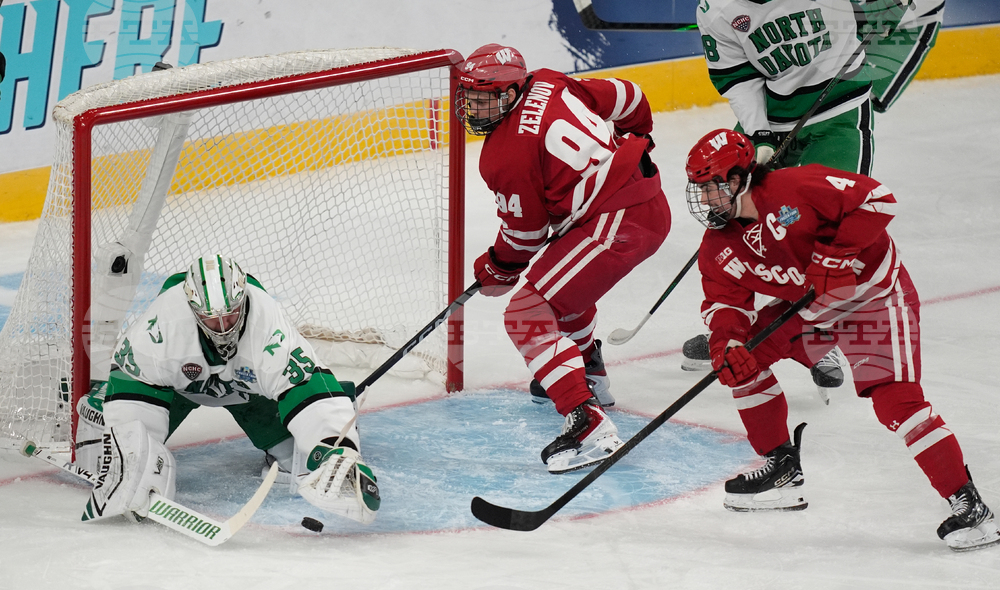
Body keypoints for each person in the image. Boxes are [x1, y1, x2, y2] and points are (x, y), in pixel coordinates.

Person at [682, 128, 999, 551]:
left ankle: (970, 507)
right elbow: (726, 305)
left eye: (712, 188)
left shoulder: (793, 187)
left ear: (739, 178)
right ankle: (781, 469)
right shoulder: (718, 245)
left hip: (873, 302)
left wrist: (836, 254)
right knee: (742, 362)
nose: (705, 200)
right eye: (699, 190)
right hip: (811, 311)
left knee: (897, 403)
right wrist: (726, 342)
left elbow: (878, 199)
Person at [683, 0, 929, 383]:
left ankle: (815, 338)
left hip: (839, 110)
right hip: (767, 113)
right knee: (729, 214)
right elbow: (737, 78)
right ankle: (731, 327)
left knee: (824, 226)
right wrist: (760, 132)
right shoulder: (715, 8)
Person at [455, 44, 671, 474]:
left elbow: (526, 235)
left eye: (486, 97)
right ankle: (589, 372)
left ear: (513, 92)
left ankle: (588, 425)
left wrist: (497, 266)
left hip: (618, 220)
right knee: (560, 290)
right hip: (636, 202)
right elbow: (628, 95)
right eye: (470, 97)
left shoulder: (503, 155)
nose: (475, 108)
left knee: (526, 313)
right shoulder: (551, 80)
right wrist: (640, 135)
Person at [75, 254, 380, 525]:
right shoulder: (160, 325)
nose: (222, 328)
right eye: (211, 318)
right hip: (176, 391)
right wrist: (130, 450)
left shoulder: (269, 326)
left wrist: (335, 447)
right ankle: (102, 401)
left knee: (298, 464)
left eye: (230, 315)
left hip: (247, 391)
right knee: (109, 463)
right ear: (192, 308)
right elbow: (133, 381)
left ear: (243, 299)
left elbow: (306, 388)